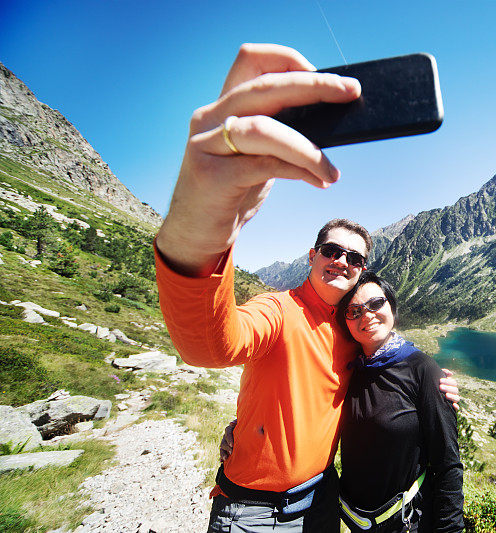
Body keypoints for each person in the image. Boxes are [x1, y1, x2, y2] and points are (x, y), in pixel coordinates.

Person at [154, 43, 459, 532]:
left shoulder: (352, 334)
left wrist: (432, 383)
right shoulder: (277, 310)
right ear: (311, 256)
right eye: (332, 251)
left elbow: (385, 384)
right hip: (254, 510)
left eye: (354, 258)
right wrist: (199, 233)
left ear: (364, 273)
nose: (341, 262)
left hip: (322, 502)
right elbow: (210, 345)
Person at [338, 271, 464, 532]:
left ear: (392, 308)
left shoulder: (423, 370)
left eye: (376, 304)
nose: (367, 315)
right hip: (353, 520)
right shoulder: (348, 368)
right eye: (354, 311)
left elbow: (447, 463)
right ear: (346, 322)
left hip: (405, 523)